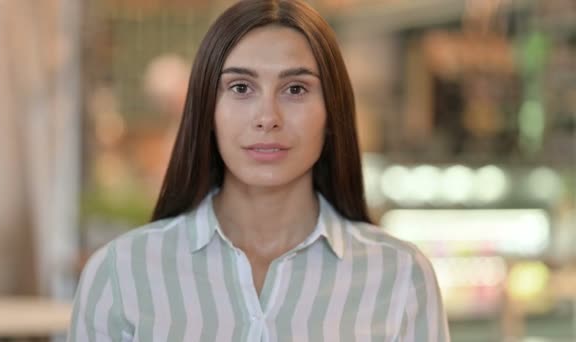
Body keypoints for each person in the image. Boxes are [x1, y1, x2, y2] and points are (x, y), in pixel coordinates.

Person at [68, 0, 450, 341]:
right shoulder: (121, 273)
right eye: (240, 87)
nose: (268, 117)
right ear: (207, 109)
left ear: (332, 111)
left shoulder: (399, 275)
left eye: (296, 89)